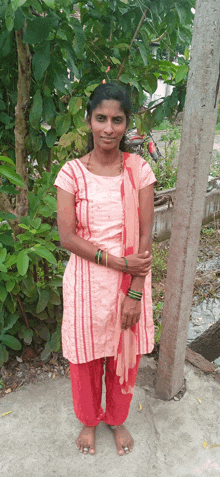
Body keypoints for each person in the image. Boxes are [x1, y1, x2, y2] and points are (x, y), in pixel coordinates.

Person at [54, 83, 157, 456]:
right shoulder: (71, 174)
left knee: (122, 357)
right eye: (101, 119)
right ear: (89, 121)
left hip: (129, 283)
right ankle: (88, 419)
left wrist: (134, 288)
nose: (109, 128)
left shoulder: (139, 171)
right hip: (85, 284)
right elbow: (67, 236)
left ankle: (116, 418)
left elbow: (146, 235)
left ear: (127, 124)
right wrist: (116, 261)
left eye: (117, 120)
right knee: (84, 357)